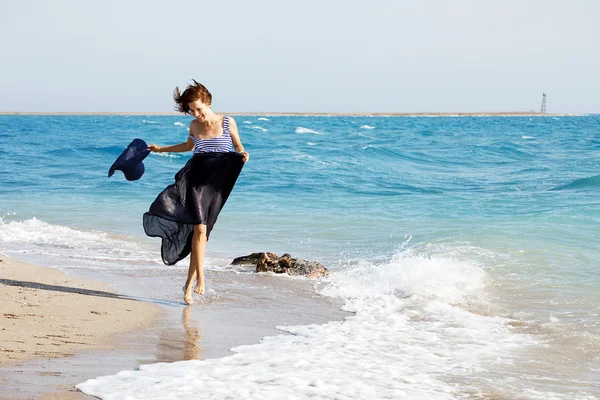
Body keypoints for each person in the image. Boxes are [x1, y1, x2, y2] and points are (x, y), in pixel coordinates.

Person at [147, 80, 249, 304]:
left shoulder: (227, 122)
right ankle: (201, 279)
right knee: (199, 230)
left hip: (216, 186)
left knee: (202, 235)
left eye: (199, 109)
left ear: (208, 102)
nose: (196, 114)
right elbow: (188, 147)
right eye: (192, 111)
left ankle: (187, 286)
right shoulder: (194, 126)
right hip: (194, 182)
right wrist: (160, 148)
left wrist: (243, 154)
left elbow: (238, 146)